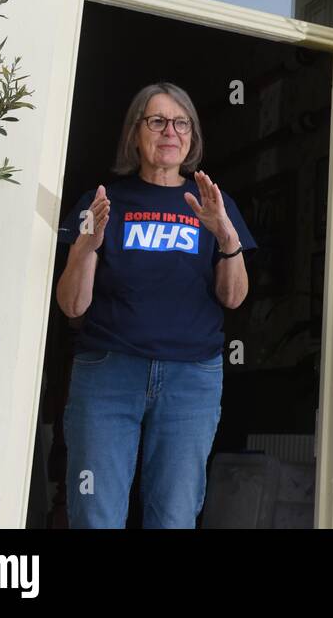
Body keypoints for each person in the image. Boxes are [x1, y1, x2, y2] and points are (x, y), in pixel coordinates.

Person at [54, 82, 256, 528]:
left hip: (191, 378)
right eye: (157, 121)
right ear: (135, 133)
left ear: (192, 136)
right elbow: (72, 307)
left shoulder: (214, 205)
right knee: (95, 513)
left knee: (175, 515)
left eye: (181, 122)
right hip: (109, 372)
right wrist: (85, 248)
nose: (170, 131)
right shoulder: (102, 202)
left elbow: (234, 297)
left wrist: (226, 236)